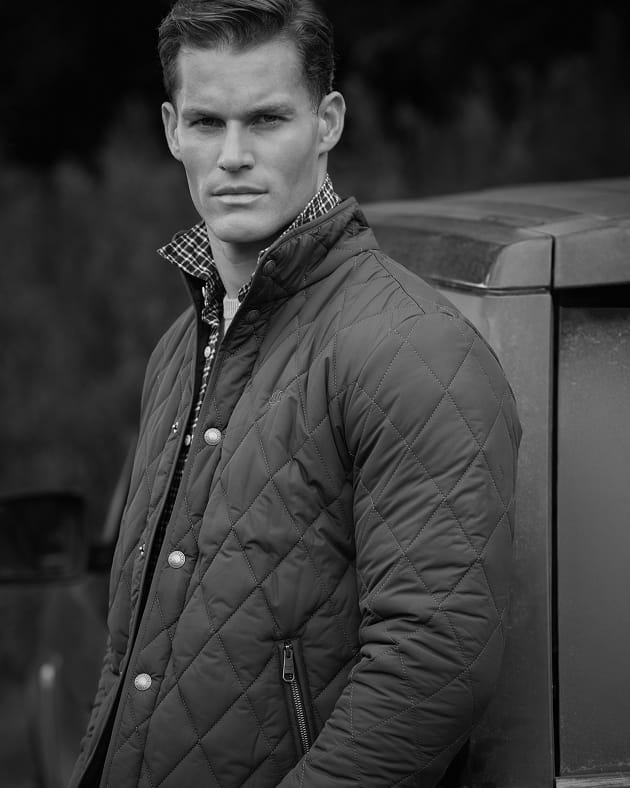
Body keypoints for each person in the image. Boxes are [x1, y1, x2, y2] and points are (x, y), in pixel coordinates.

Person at [70, 1, 521, 786]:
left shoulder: (414, 347)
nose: (233, 155)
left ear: (327, 122)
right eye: (207, 122)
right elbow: (132, 649)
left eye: (267, 119)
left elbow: (433, 664)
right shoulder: (181, 347)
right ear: (173, 130)